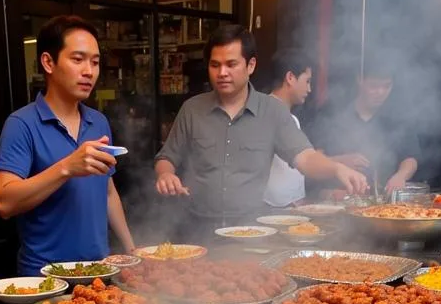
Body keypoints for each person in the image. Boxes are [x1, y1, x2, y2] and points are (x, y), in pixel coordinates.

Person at [153, 25, 367, 231]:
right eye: (215, 65)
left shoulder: (273, 110)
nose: (222, 73)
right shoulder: (192, 109)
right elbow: (166, 157)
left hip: (251, 229)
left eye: (231, 64)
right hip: (196, 227)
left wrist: (336, 168)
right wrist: (165, 175)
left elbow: (306, 157)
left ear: (251, 65)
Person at [0, 15, 134, 275]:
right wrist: (67, 167)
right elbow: (4, 202)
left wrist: (131, 250)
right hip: (45, 275)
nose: (89, 71)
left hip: (98, 271)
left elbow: (108, 192)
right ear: (48, 62)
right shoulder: (21, 124)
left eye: (95, 62)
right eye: (78, 59)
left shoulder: (98, 122)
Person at [312, 58, 419, 195]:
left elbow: (410, 158)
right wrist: (340, 161)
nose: (380, 92)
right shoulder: (333, 113)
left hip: (385, 202)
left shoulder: (397, 116)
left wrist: (400, 176)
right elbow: (313, 158)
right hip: (340, 199)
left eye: (387, 86)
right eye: (373, 86)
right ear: (360, 80)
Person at [263, 50, 314, 208]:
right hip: (272, 211)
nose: (309, 89)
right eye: (307, 81)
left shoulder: (291, 118)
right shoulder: (265, 114)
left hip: (290, 210)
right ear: (290, 77)